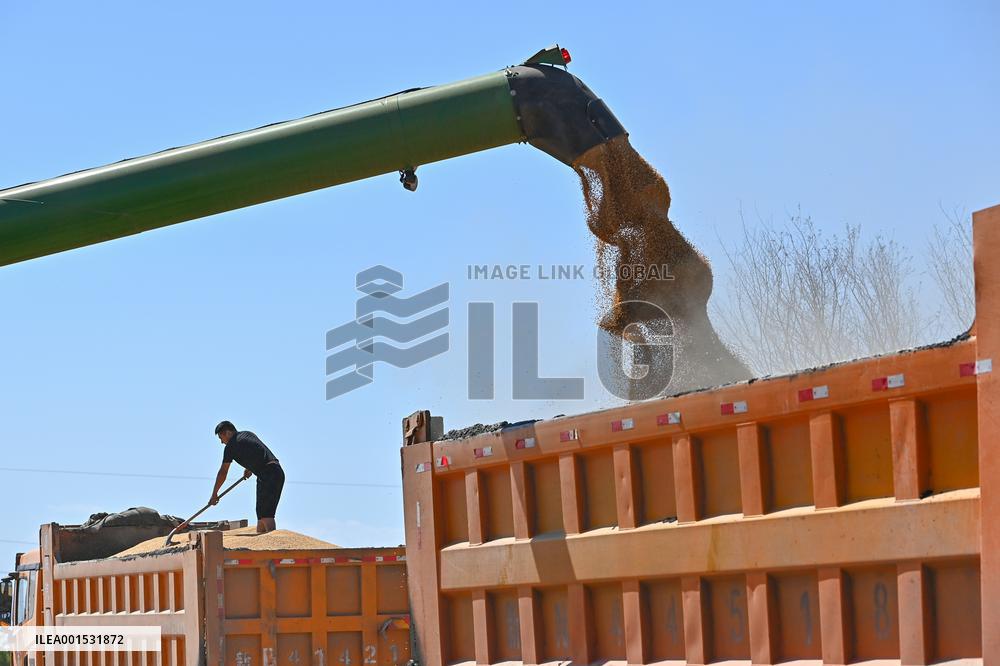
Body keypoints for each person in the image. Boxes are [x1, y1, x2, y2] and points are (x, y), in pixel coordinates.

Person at [210, 421, 285, 533]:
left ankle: (272, 545)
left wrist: (214, 494)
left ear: (227, 433)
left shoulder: (230, 446)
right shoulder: (247, 434)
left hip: (268, 474)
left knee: (266, 515)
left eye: (221, 438)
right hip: (273, 471)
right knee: (261, 515)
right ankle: (261, 543)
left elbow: (223, 472)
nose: (222, 442)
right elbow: (257, 451)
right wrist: (249, 468)